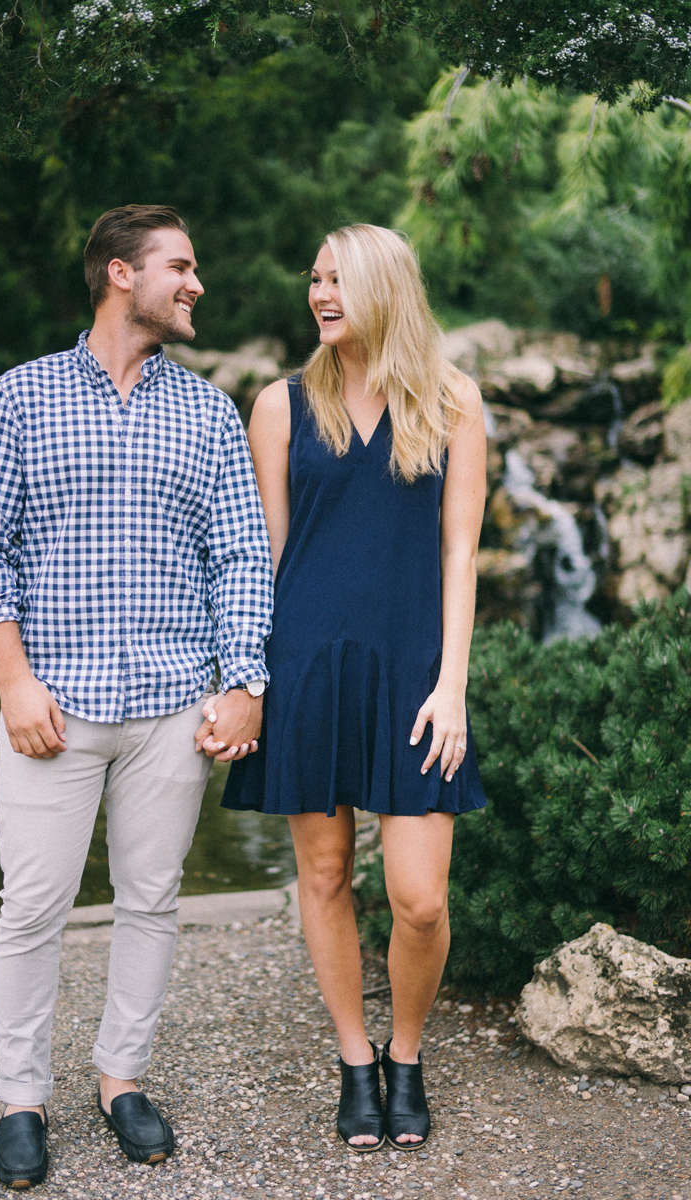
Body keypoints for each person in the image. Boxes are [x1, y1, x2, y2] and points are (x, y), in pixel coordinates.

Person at [0, 204, 273, 1190]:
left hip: (172, 707)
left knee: (151, 899)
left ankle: (121, 1079)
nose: (196, 285)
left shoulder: (209, 410)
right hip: (51, 705)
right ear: (118, 277)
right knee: (33, 907)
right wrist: (11, 683)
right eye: (179, 266)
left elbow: (240, 558)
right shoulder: (20, 397)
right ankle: (20, 1099)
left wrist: (243, 682)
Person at [221, 224, 486, 1153]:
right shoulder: (281, 405)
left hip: (415, 670)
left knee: (419, 899)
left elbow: (460, 555)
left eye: (338, 280)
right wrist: (249, 682)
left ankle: (406, 1055)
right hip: (309, 665)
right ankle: (354, 1061)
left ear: (385, 288)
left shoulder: (453, 401)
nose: (319, 294)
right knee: (326, 874)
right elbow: (268, 560)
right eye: (315, 279)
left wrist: (452, 684)